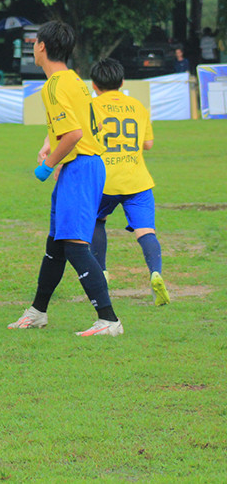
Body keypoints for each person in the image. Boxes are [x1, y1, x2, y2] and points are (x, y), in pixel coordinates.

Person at [8, 21, 122, 336]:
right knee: (56, 244)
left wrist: (48, 164)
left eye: (34, 42)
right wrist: (50, 143)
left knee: (73, 244)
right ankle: (37, 312)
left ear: (41, 47)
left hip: (81, 166)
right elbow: (70, 124)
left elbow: (73, 133)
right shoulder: (72, 80)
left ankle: (109, 320)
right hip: (81, 165)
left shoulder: (54, 85)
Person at [89, 58, 170, 306]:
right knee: (145, 231)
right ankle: (155, 272)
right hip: (138, 180)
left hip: (104, 181)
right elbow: (148, 144)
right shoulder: (137, 106)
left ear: (94, 84)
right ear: (122, 82)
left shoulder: (90, 106)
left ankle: (101, 270)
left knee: (96, 220)